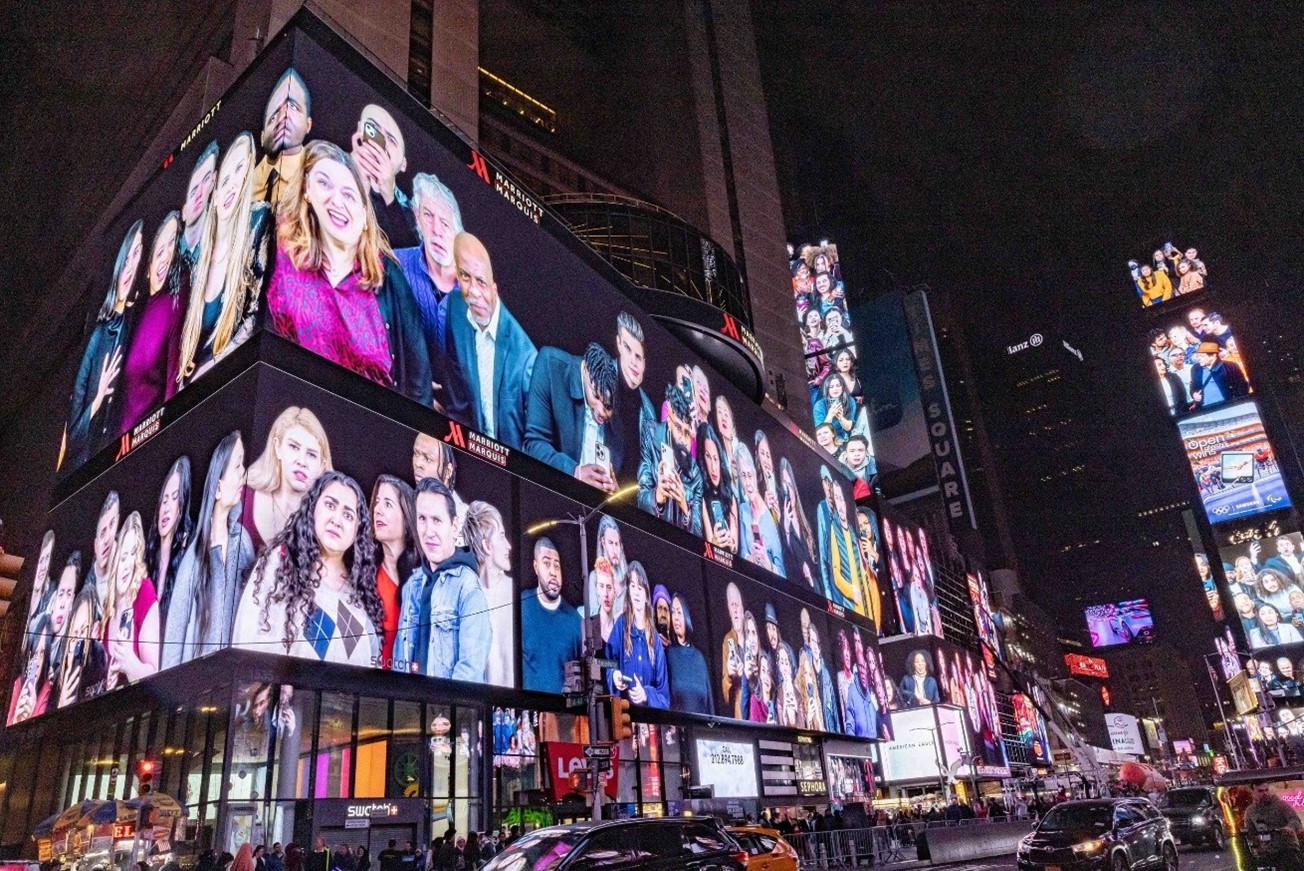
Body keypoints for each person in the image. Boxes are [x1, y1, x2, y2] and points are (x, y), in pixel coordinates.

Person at [267, 140, 432, 404]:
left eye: (349, 194)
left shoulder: (388, 277)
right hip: (293, 418)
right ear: (307, 190)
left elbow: (418, 382)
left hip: (367, 433)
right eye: (324, 184)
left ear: (365, 216)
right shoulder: (281, 253)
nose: (337, 201)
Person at [234, 471, 382, 665]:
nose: (336, 520)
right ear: (313, 508)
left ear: (357, 530)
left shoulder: (360, 596)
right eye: (330, 505)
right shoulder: (281, 563)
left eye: (348, 515)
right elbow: (250, 637)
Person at [176, 131, 272, 385]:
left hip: (231, 381)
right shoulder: (198, 261)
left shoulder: (258, 221)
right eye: (225, 179)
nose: (231, 186)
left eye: (239, 169)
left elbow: (255, 315)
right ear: (215, 195)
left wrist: (215, 367)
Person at [163, 431, 255, 667]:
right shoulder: (193, 560)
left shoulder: (244, 542)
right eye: (237, 466)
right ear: (217, 487)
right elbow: (173, 647)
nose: (242, 475)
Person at [438, 232, 537, 445]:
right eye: (465, 276)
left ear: (495, 288)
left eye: (481, 282)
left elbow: (535, 442)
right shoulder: (455, 309)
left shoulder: (526, 358)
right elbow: (457, 402)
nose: (473, 291)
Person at [393, 478, 489, 679]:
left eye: (437, 520)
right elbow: (399, 660)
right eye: (422, 519)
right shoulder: (412, 585)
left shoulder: (468, 587)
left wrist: (443, 710)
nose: (428, 532)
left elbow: (470, 671)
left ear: (454, 526)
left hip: (445, 710)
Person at [68, 221, 143, 466]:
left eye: (138, 254)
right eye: (127, 256)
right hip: (85, 470)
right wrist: (98, 399)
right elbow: (73, 438)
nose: (130, 266)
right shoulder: (98, 337)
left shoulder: (137, 323)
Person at [524, 341, 621, 489]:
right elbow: (534, 444)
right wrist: (575, 472)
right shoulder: (550, 364)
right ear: (584, 369)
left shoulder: (613, 400)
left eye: (607, 406)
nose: (601, 411)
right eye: (596, 396)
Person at [120, 212, 185, 429]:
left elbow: (172, 387)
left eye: (173, 244)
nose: (166, 254)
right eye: (162, 246)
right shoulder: (132, 312)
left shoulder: (172, 305)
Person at [244, 406, 333, 552]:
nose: (302, 461)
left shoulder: (326, 525)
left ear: (322, 467)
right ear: (277, 448)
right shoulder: (243, 497)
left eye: (311, 454)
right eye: (294, 447)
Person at [395, 173, 462, 363]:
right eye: (428, 216)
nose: (436, 231)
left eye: (445, 223)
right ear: (417, 216)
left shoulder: (475, 293)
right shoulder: (394, 264)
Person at [103, 511, 161, 687]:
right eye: (123, 556)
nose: (128, 564)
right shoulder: (107, 608)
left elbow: (154, 673)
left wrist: (129, 663)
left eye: (133, 554)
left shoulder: (144, 592)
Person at [637, 381, 703, 534]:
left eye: (687, 433)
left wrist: (684, 505)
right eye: (678, 427)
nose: (682, 438)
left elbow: (698, 534)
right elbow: (640, 497)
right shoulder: (651, 435)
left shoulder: (695, 474)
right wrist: (658, 495)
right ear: (669, 418)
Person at [349, 103, 417, 248]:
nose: (381, 143)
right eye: (372, 128)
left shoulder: (412, 214)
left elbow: (408, 256)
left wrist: (389, 198)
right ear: (360, 128)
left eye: (391, 140)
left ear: (403, 163)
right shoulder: (329, 164)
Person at [520, 536, 582, 693]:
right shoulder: (520, 607)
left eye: (557, 566)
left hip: (563, 715)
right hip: (527, 712)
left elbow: (580, 687)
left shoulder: (575, 621)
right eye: (546, 564)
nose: (553, 572)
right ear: (536, 567)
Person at [370, 474, 420, 669]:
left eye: (388, 504)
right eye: (377, 503)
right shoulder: (365, 574)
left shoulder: (424, 580)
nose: (377, 510)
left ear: (407, 518)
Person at [463, 500, 514, 687]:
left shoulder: (515, 594)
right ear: (486, 545)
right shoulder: (466, 597)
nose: (509, 545)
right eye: (501, 536)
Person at [606, 561, 668, 708]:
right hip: (623, 719)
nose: (636, 592)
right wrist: (613, 675)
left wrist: (646, 695)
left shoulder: (655, 640)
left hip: (649, 724)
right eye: (632, 586)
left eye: (640, 587)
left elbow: (664, 697)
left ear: (646, 593)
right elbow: (603, 661)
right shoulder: (621, 625)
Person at [254, 68, 313, 205]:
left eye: (292, 106)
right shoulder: (243, 185)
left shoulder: (319, 179)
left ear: (308, 124)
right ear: (262, 137)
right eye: (273, 117)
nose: (282, 118)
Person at [147, 456, 193, 621]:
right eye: (164, 500)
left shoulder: (186, 564)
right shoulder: (147, 562)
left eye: (174, 498)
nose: (166, 508)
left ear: (182, 506)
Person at [613, 312, 656, 482]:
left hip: (633, 503)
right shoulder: (601, 381)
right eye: (627, 348)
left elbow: (648, 465)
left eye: (638, 356)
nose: (633, 361)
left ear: (644, 362)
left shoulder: (648, 409)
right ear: (618, 344)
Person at [736, 447, 785, 576]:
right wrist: (751, 558)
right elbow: (741, 551)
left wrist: (766, 563)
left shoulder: (770, 519)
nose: (748, 483)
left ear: (756, 476)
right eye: (743, 476)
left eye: (750, 475)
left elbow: (782, 573)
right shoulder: (742, 509)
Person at [667, 592, 713, 715]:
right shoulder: (668, 654)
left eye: (679, 612)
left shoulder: (699, 658)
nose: (675, 617)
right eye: (673, 612)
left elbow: (710, 705)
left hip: (702, 731)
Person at [7, 613, 56, 724]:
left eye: (42, 653)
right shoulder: (17, 684)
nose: (37, 661)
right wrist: (16, 720)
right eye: (35, 652)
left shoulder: (47, 689)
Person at [698, 424, 739, 553]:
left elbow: (735, 547)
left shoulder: (730, 496)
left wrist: (731, 544)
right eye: (708, 457)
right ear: (702, 459)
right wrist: (715, 543)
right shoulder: (701, 496)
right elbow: (709, 543)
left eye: (715, 458)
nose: (714, 467)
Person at [778, 459, 818, 589]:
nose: (788, 493)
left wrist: (810, 574)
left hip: (817, 591)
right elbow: (787, 566)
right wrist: (786, 530)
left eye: (789, 485)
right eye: (785, 486)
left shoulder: (807, 520)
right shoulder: (782, 524)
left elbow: (818, 564)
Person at [87, 491, 123, 612]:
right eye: (102, 533)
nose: (107, 538)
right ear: (95, 545)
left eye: (112, 525)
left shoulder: (129, 561)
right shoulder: (86, 591)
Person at [587, 515, 629, 617]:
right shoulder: (594, 577)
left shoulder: (627, 579)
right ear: (603, 542)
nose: (615, 550)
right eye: (611, 543)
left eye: (617, 544)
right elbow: (593, 615)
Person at [1189, 340, 1250, 407]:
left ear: (1213, 356)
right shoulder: (1195, 369)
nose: (1198, 359)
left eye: (1202, 356)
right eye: (1198, 356)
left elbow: (1242, 387)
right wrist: (1194, 394)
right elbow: (1193, 386)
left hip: (1228, 405)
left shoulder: (1230, 366)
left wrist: (1236, 403)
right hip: (1206, 408)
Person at [720, 581, 745, 717]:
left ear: (742, 608)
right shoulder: (727, 640)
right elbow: (725, 694)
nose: (735, 609)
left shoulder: (752, 635)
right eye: (732, 605)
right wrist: (730, 676)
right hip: (742, 714)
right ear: (729, 611)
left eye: (737, 604)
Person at [585, 556, 618, 648]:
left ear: (615, 590)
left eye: (609, 587)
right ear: (597, 589)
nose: (605, 594)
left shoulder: (620, 630)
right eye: (601, 586)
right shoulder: (588, 624)